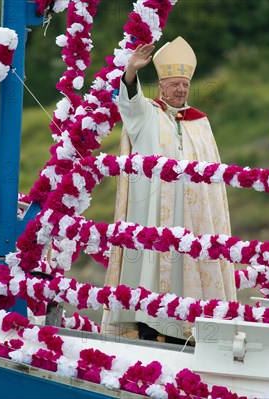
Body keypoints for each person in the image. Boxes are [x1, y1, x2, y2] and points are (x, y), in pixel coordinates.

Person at [102, 37, 236, 344]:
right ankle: (149, 325)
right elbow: (129, 102)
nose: (180, 90)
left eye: (184, 85)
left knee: (186, 263)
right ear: (162, 86)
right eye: (174, 84)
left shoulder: (200, 123)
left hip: (191, 212)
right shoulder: (147, 114)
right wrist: (131, 73)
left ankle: (184, 328)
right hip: (152, 209)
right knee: (150, 266)